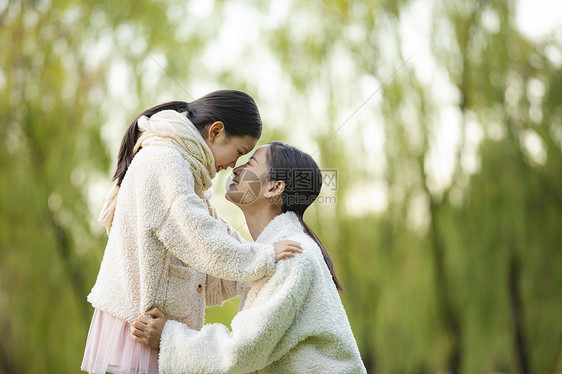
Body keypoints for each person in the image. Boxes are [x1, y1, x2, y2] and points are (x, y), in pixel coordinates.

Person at [81, 91, 301, 374]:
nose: (234, 165)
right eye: (238, 152)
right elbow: (200, 238)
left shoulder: (180, 164)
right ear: (216, 131)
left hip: (144, 324)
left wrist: (263, 274)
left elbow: (210, 232)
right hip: (140, 326)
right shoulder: (166, 160)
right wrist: (264, 256)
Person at [130, 141, 367, 373]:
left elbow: (243, 351)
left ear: (274, 188)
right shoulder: (271, 254)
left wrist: (168, 337)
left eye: (250, 164)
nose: (236, 168)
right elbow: (213, 269)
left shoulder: (294, 256)